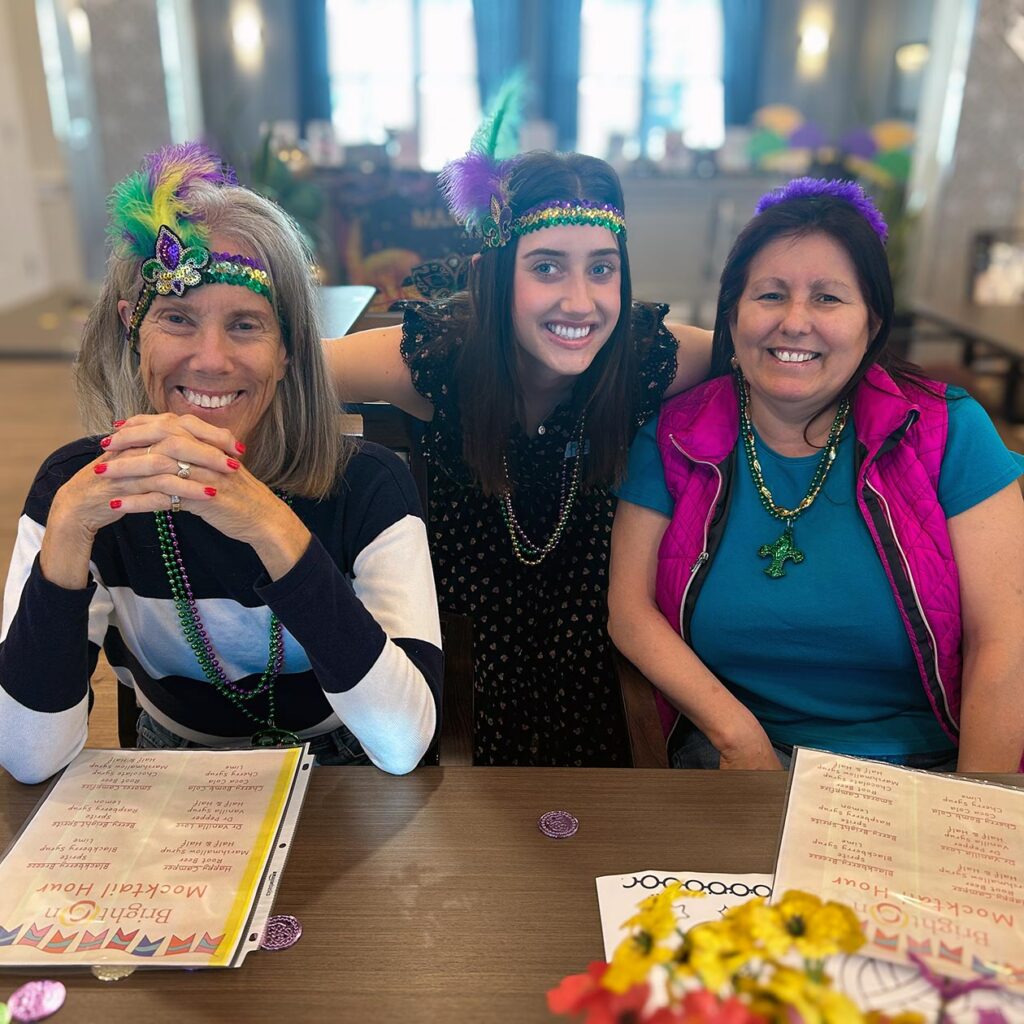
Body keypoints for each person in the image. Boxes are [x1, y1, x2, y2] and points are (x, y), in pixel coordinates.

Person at [0, 143, 442, 784]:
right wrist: (66, 535)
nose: (210, 360)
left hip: (346, 766)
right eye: (177, 318)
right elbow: (29, 756)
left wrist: (271, 526)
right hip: (172, 773)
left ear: (289, 349)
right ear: (132, 329)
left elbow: (402, 744)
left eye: (245, 325)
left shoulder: (369, 485)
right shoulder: (73, 494)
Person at [609, 178, 1024, 773]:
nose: (795, 323)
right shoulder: (675, 437)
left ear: (872, 322)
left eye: (828, 298)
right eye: (770, 296)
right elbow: (630, 611)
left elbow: (1005, 643)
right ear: (731, 315)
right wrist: (737, 738)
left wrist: (970, 813)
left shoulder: (949, 432)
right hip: (742, 759)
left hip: (930, 765)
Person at [326, 148, 711, 766]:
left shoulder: (638, 356)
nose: (581, 303)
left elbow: (759, 354)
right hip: (459, 675)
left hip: (604, 669)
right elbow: (284, 369)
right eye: (548, 268)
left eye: (603, 269)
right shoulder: (442, 355)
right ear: (494, 273)